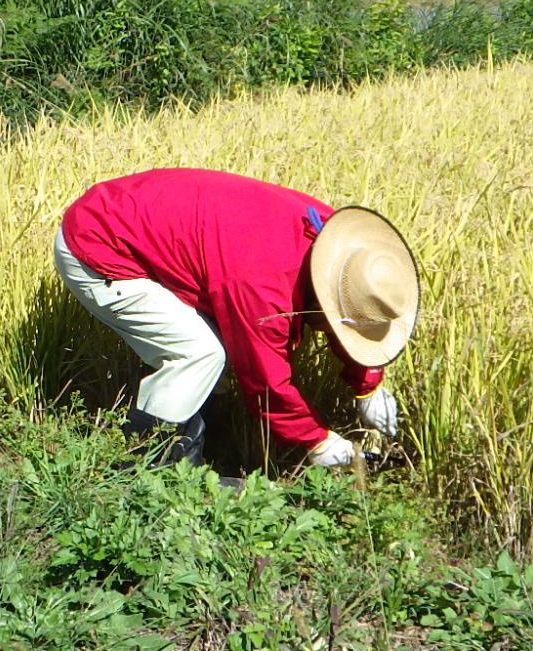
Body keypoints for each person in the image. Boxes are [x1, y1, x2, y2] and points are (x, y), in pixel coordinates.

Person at [55, 168, 418, 469]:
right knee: (199, 354)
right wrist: (317, 442)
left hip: (138, 218)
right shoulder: (264, 286)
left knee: (214, 353)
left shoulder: (337, 240)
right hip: (98, 243)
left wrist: (367, 384)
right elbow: (264, 384)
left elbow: (346, 311)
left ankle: (205, 446)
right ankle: (147, 466)